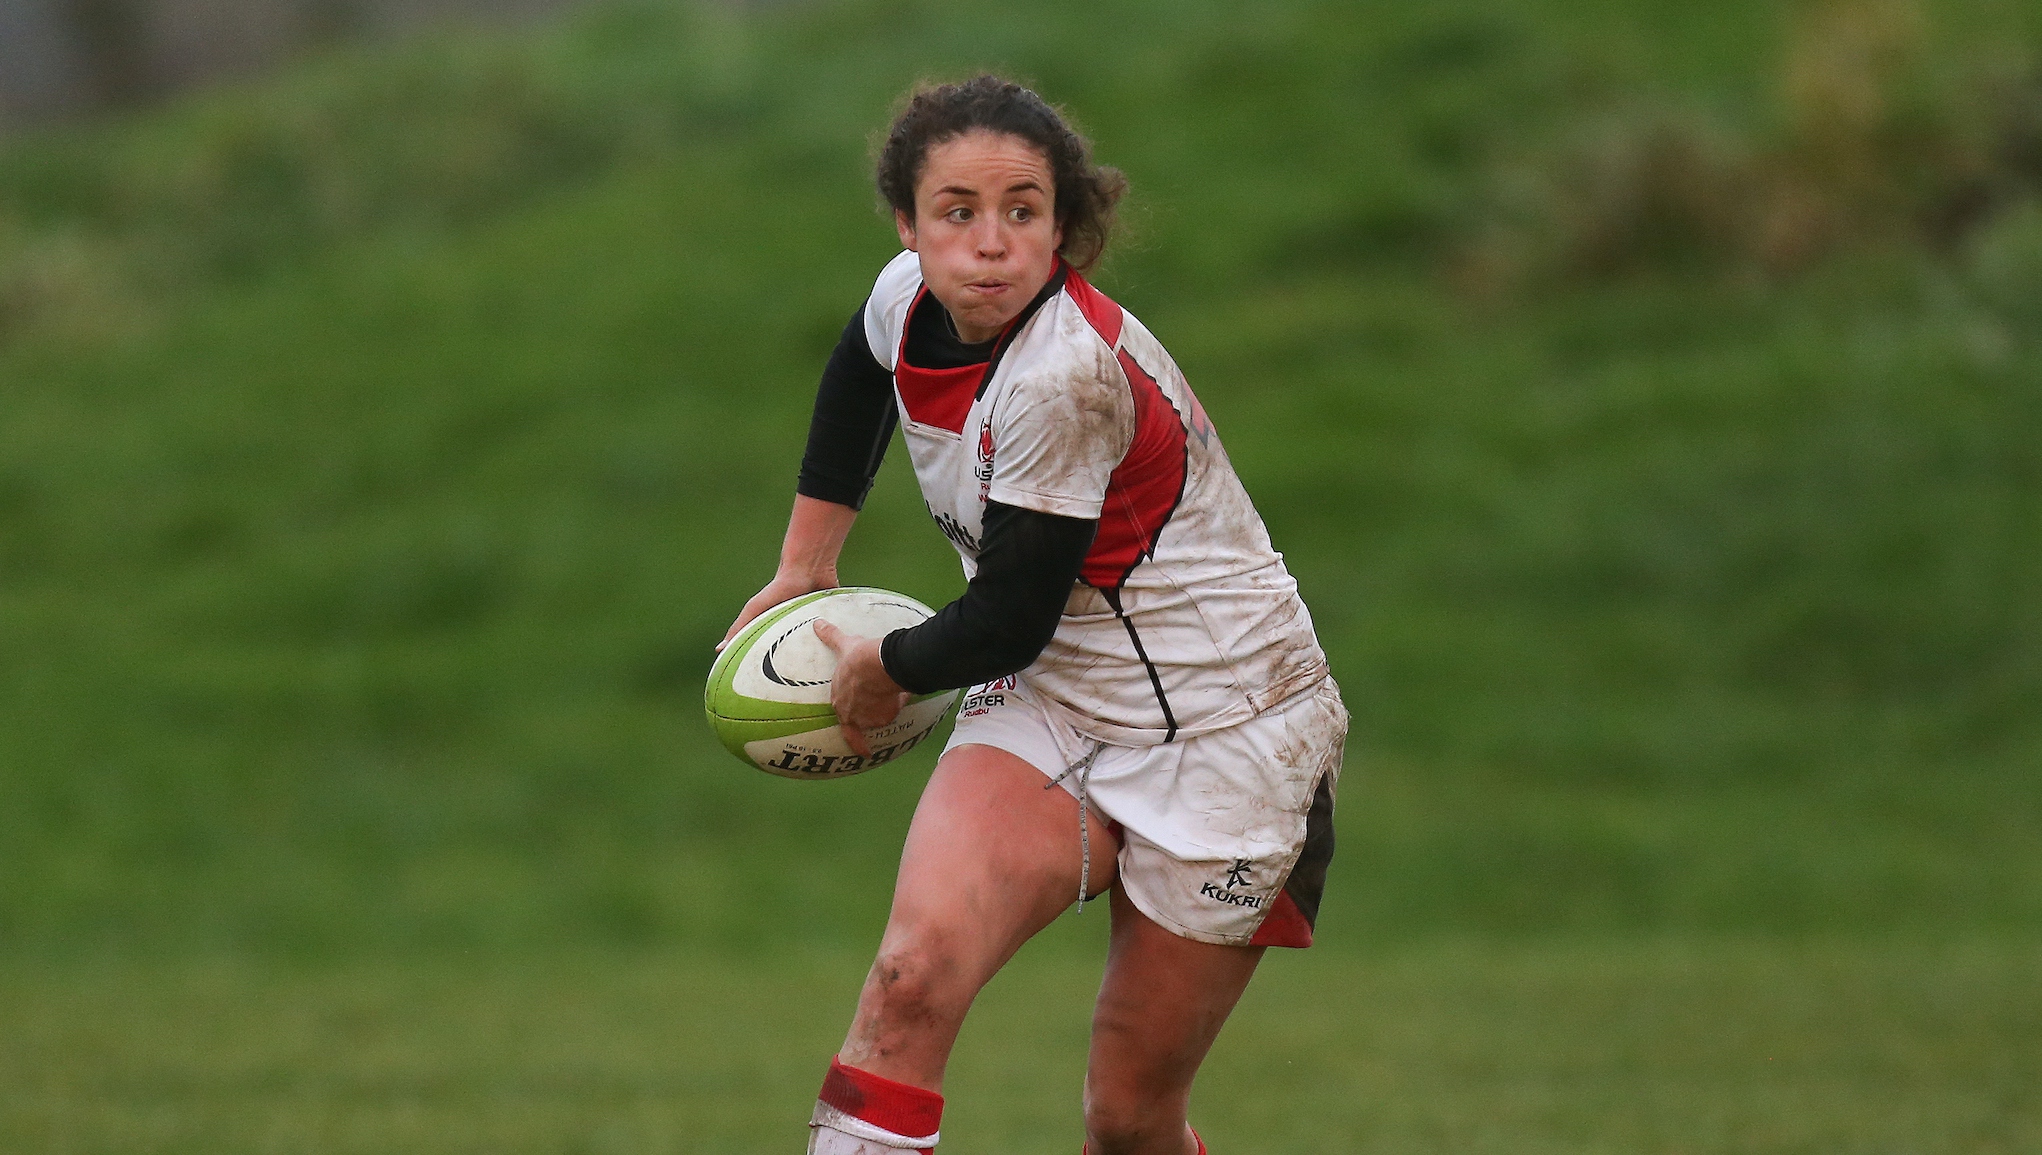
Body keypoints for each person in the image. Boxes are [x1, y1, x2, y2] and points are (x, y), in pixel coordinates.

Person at [719, 75, 1347, 1155]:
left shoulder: (1062, 377)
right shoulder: (907, 297)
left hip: (1231, 729)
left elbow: (1005, 617)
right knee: (910, 981)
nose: (991, 242)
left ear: (1065, 229)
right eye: (957, 211)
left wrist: (882, 669)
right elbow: (858, 371)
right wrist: (803, 562)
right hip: (1054, 697)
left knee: (1127, 1123)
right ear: (908, 226)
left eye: (1023, 210)